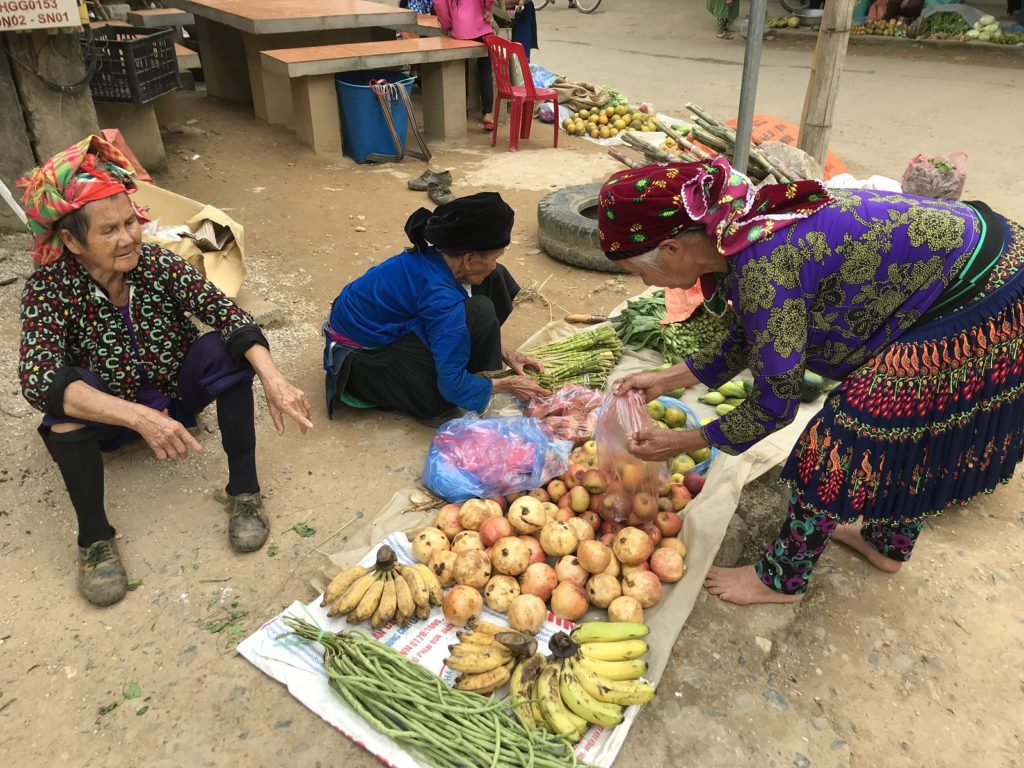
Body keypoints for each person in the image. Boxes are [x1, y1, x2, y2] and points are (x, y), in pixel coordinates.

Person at [605, 158, 1024, 606]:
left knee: (840, 438)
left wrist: (683, 440)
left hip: (983, 296)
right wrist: (665, 378)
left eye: (638, 271)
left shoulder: (764, 265)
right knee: (907, 429)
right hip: (985, 264)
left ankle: (781, 580)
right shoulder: (744, 226)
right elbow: (754, 333)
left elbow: (774, 404)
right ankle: (886, 544)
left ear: (673, 249)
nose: (645, 283)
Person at [16, 136, 313, 607]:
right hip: (108, 420)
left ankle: (245, 491)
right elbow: (36, 376)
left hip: (175, 399)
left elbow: (226, 313)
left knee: (229, 350)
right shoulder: (51, 289)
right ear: (71, 241)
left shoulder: (156, 263)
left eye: (130, 221)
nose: (129, 237)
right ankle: (94, 540)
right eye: (109, 230)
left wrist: (275, 380)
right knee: (64, 398)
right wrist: (136, 417)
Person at [323, 192, 549, 421]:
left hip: (388, 331)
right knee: (479, 312)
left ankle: (457, 359)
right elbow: (452, 387)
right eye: (492, 258)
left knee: (495, 278)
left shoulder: (442, 256)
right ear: (469, 259)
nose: (493, 264)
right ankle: (418, 389)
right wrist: (505, 385)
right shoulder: (440, 297)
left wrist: (507, 354)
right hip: (363, 366)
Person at [433, 0, 498, 129]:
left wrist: (446, 25)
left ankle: (462, 111)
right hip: (482, 27)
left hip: (460, 29)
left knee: (462, 69)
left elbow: (440, 5)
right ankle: (487, 113)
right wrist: (488, 9)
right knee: (485, 70)